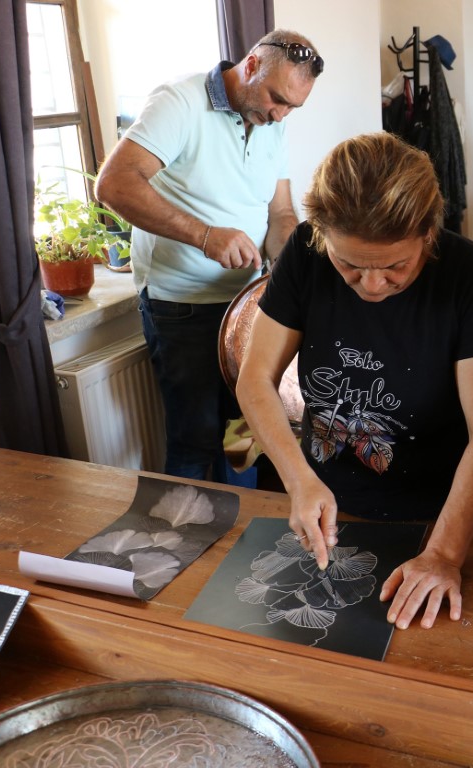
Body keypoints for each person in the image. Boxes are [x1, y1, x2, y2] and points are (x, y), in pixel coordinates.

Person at [235, 132, 473, 630]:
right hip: (328, 507)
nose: (372, 284)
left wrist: (445, 554)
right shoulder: (304, 253)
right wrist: (300, 483)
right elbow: (255, 379)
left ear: (428, 232)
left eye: (395, 266)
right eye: (349, 264)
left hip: (444, 516)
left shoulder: (469, 276)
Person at [94, 30, 323, 482]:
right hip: (182, 308)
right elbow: (113, 185)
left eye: (292, 107)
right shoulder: (178, 103)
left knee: (249, 433)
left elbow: (279, 213)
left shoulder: (273, 122)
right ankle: (188, 549)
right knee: (196, 440)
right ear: (252, 65)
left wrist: (298, 264)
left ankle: (244, 543)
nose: (280, 115)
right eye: (277, 99)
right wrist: (204, 236)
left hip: (250, 309)